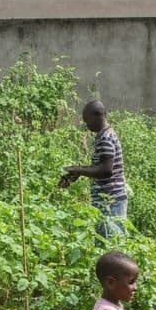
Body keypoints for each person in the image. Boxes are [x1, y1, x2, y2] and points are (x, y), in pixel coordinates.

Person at [60, 100, 128, 237]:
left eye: (87, 120)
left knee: (110, 246)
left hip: (110, 203)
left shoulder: (106, 138)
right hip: (108, 202)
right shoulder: (103, 136)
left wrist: (78, 170)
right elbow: (100, 167)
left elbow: (106, 170)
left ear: (97, 115)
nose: (86, 125)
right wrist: (78, 172)